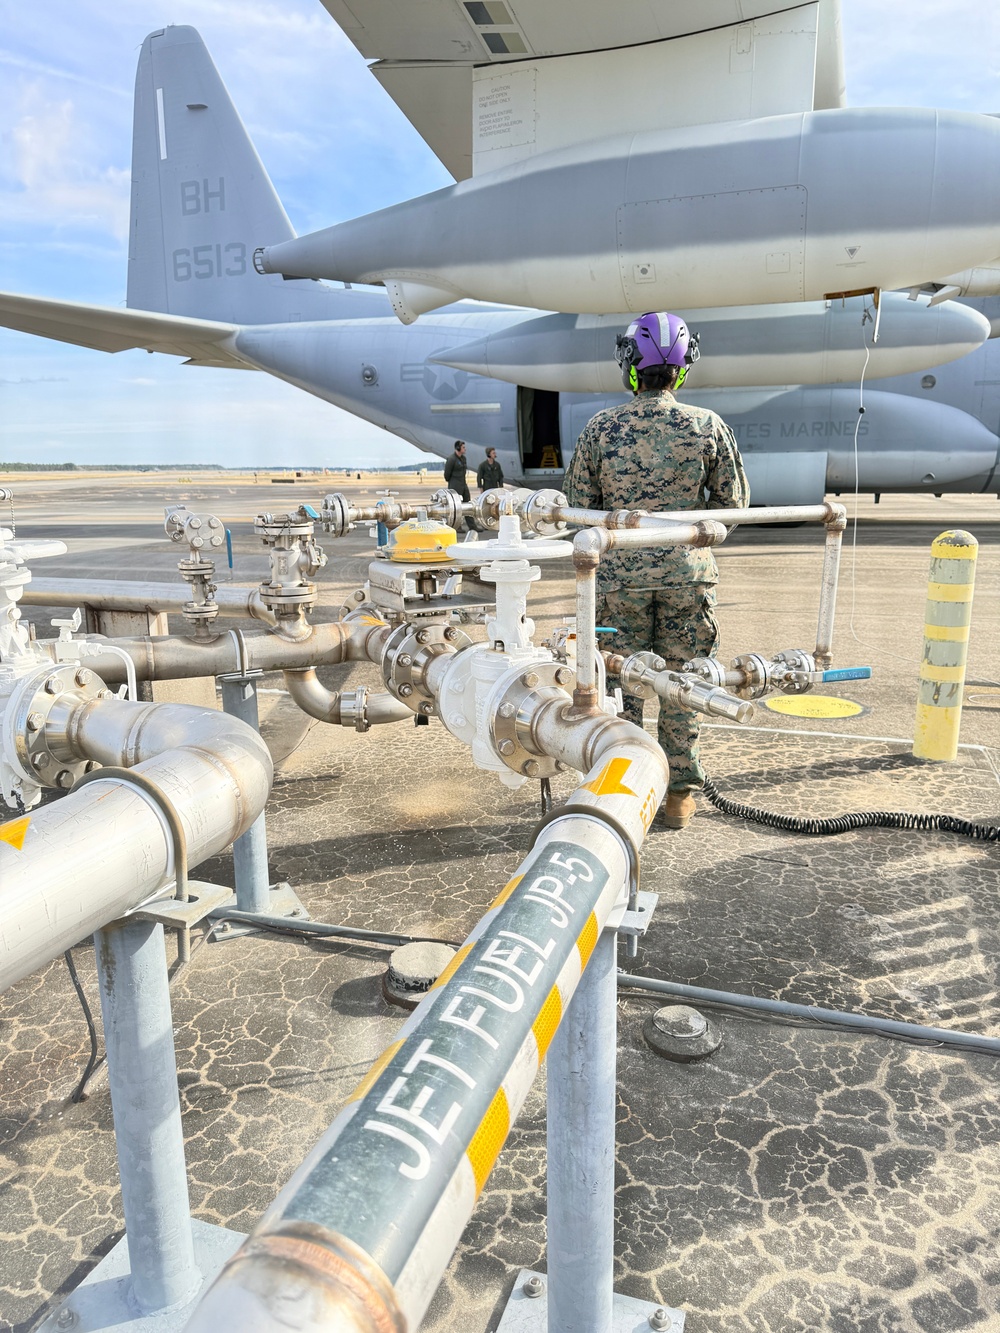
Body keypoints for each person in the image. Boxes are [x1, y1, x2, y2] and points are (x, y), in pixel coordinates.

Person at [563, 311, 749, 829]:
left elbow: (580, 505)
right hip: (688, 578)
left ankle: (625, 786)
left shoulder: (601, 428)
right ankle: (679, 797)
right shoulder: (708, 426)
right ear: (683, 367)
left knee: (622, 682)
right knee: (685, 681)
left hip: (619, 579)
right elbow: (731, 506)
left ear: (630, 365)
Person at [443, 440, 480, 531]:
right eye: (463, 447)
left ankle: (472, 526)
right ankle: (457, 526)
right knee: (457, 506)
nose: (465, 449)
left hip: (463, 484)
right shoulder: (451, 459)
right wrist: (453, 482)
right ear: (458, 448)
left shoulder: (463, 459)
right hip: (455, 486)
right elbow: (447, 474)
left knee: (468, 505)